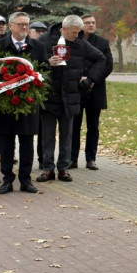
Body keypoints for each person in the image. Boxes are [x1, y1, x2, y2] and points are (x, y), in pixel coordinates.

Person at [37, 15, 106, 182]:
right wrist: (47, 63)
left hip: (70, 96)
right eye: (74, 32)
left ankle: (63, 169)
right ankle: (48, 169)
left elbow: (101, 59)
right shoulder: (44, 41)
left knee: (67, 136)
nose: (77, 36)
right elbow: (33, 63)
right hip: (49, 96)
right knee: (47, 136)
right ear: (64, 29)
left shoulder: (81, 43)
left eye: (79, 32)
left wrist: (90, 80)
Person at [0, 11, 41, 194]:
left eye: (27, 24)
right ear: (10, 26)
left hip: (28, 104)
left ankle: (26, 180)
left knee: (27, 142)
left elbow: (44, 73)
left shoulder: (37, 46)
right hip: (5, 104)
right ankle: (7, 179)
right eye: (20, 24)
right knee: (6, 143)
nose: (24, 27)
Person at [70, 13, 114, 170]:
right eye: (87, 23)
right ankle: (72, 158)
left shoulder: (102, 43)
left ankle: (91, 158)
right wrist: (78, 79)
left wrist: (93, 80)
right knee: (74, 126)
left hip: (95, 90)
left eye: (93, 22)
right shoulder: (74, 41)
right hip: (76, 90)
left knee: (93, 126)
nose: (91, 25)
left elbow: (108, 65)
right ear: (81, 26)